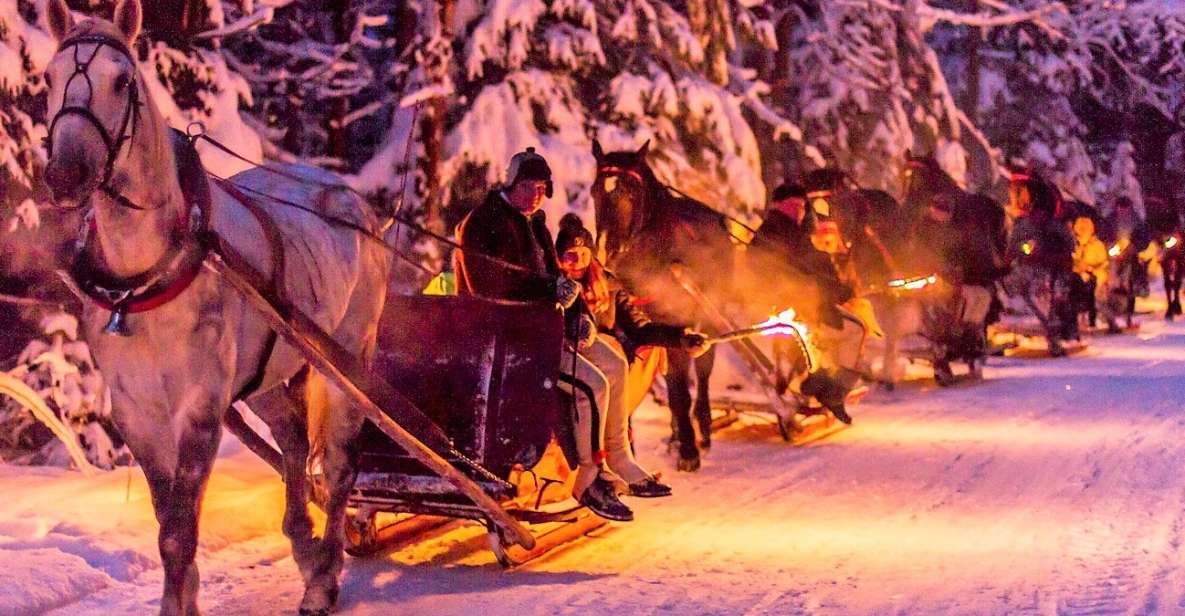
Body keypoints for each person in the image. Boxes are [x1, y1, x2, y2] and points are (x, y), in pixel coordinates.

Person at [454, 147, 632, 521]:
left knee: (615, 363)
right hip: (506, 340)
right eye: (530, 186)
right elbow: (490, 287)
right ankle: (587, 474)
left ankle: (618, 457)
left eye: (542, 187)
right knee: (591, 385)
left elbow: (555, 278)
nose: (537, 194)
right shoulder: (482, 223)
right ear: (512, 182)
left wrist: (578, 318)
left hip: (544, 330)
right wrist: (549, 293)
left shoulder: (534, 222)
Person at [555, 214, 710, 495]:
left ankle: (622, 464)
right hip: (573, 368)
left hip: (609, 369)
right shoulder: (557, 288)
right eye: (569, 256)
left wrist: (680, 339)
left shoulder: (608, 286)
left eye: (582, 255)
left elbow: (640, 327)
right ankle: (591, 471)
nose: (576, 263)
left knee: (616, 379)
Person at [1069, 214, 1110, 329]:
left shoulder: (1097, 245)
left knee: (1091, 290)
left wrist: (1092, 269)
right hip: (1079, 275)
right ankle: (1074, 319)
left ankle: (1093, 320)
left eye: (1084, 229)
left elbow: (1104, 262)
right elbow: (1073, 260)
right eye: (1079, 229)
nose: (1082, 231)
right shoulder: (1075, 244)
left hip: (1095, 275)